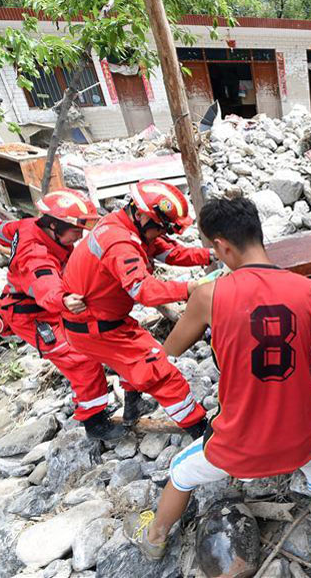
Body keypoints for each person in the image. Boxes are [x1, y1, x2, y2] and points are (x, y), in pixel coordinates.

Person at [124, 197, 311, 559]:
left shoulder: (209, 295)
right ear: (258, 235)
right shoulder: (309, 291)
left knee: (181, 473)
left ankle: (154, 539)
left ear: (222, 246)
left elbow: (172, 349)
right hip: (299, 437)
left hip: (236, 445)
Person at [61, 180, 212, 441]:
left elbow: (169, 252)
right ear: (142, 215)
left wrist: (210, 255)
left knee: (136, 361)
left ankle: (132, 407)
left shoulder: (127, 226)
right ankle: (200, 430)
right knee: (159, 371)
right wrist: (193, 287)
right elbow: (144, 291)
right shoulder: (120, 243)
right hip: (96, 328)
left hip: (102, 321)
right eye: (161, 228)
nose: (161, 234)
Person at [0, 189, 118, 434]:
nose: (79, 237)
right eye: (75, 231)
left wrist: (2, 234)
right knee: (80, 359)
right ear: (54, 227)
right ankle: (95, 422)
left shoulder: (27, 225)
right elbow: (45, 285)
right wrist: (65, 300)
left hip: (41, 305)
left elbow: (1, 230)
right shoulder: (36, 255)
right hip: (32, 316)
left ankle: (93, 400)